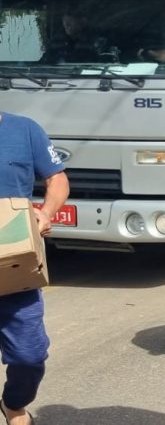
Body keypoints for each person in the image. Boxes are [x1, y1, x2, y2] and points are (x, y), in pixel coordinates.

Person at [0, 112, 69, 425]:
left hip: (16, 269)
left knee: (29, 356)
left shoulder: (25, 130)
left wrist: (45, 213)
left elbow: (57, 179)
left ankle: (13, 404)